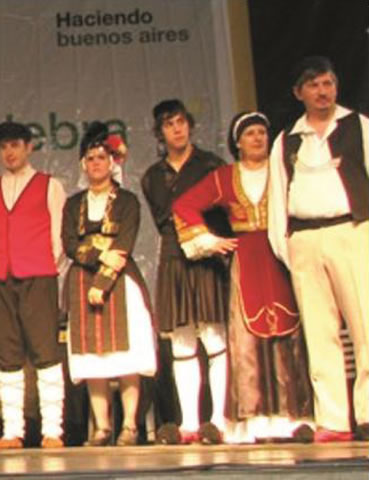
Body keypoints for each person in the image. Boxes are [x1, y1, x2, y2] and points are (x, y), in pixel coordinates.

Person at [173, 111, 314, 444]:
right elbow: (184, 206)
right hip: (247, 258)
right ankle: (253, 419)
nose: (257, 138)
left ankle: (294, 417)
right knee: (247, 338)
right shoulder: (225, 177)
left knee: (290, 332)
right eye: (250, 133)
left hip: (281, 254)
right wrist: (209, 241)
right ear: (238, 142)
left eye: (262, 132)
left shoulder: (283, 171)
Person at [267, 56, 369, 442]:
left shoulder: (358, 126)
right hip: (305, 238)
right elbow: (278, 198)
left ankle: (367, 412)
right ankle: (334, 419)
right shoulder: (287, 139)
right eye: (314, 85)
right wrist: (288, 248)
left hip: (352, 230)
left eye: (328, 83)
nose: (323, 92)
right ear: (299, 93)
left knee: (365, 325)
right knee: (319, 330)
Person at [140, 99, 230, 445]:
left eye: (180, 122)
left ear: (189, 124)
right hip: (174, 258)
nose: (177, 129)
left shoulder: (210, 165)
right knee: (182, 340)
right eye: (168, 124)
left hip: (208, 259)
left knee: (215, 337)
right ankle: (189, 421)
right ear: (160, 133)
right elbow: (163, 218)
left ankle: (219, 419)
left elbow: (224, 212)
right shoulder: (152, 176)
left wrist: (208, 241)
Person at [63, 123, 157, 446]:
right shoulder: (73, 204)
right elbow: (70, 245)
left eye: (102, 157)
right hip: (81, 281)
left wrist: (101, 282)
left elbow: (123, 245)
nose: (96, 164)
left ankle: (129, 424)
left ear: (112, 161)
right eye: (90, 158)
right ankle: (102, 427)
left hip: (121, 282)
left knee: (126, 355)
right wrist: (100, 254)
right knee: (93, 358)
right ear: (83, 164)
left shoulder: (128, 201)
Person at [0, 122, 67, 449]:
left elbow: (58, 235)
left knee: (46, 353)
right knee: (7, 356)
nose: (9, 152)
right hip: (2, 279)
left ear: (29, 147)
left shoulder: (49, 185)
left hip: (38, 278)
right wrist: (3, 262)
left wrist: (42, 265)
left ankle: (52, 430)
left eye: (15, 145)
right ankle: (12, 431)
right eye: (4, 147)